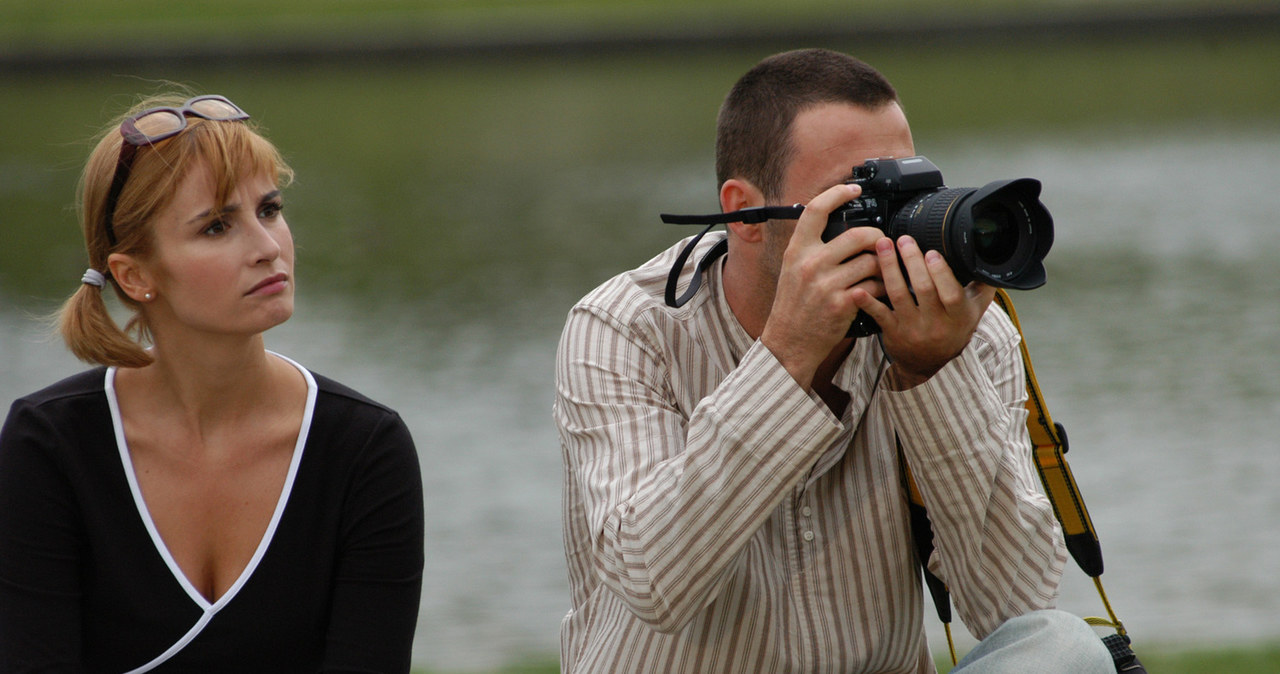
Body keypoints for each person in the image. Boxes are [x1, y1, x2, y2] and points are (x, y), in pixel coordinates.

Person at [553, 49, 1114, 673]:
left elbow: (1013, 607)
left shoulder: (967, 332)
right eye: (858, 202)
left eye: (908, 193)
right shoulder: (625, 328)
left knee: (1065, 649)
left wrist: (929, 374)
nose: (895, 235)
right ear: (745, 214)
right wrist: (787, 358)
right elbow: (652, 580)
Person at [0, 93, 424, 672]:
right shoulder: (48, 444)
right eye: (218, 226)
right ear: (136, 274)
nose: (268, 248)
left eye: (270, 209)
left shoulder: (364, 448)